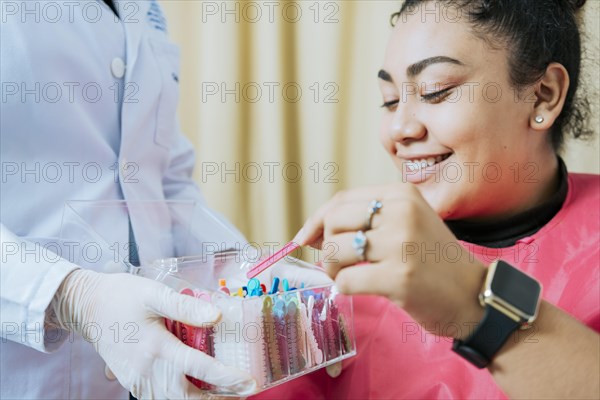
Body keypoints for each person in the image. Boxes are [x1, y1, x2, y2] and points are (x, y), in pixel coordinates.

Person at [251, 0, 599, 399]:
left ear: (542, 95)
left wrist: (473, 305)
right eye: (390, 99)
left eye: (436, 91)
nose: (399, 128)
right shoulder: (354, 276)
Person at [1, 0, 326, 398]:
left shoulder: (145, 8)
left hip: (159, 366)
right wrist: (73, 297)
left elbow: (163, 181)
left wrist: (243, 270)